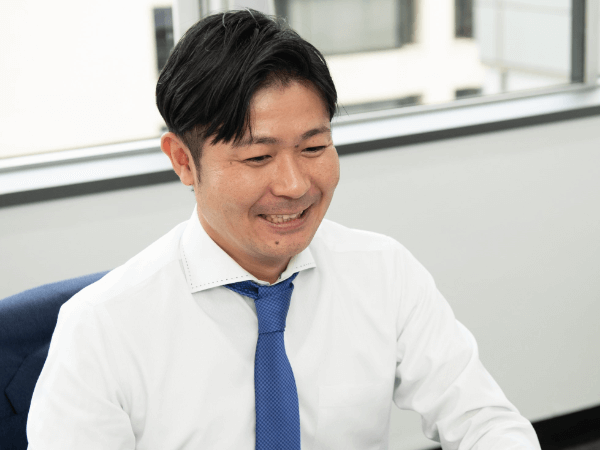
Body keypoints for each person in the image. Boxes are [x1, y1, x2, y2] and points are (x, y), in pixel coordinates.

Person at [27, 8, 541, 450]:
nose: (295, 185)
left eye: (314, 148)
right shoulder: (101, 329)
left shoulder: (383, 273)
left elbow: (484, 421)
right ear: (183, 160)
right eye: (258, 157)